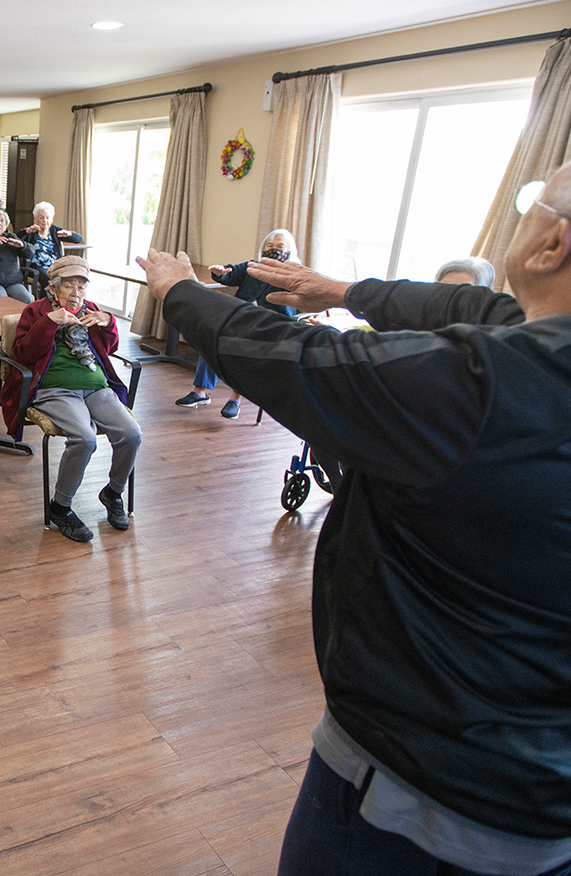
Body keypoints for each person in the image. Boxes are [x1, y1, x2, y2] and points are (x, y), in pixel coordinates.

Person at [137, 161, 571, 876]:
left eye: (529, 204)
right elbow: (477, 311)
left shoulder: (495, 387)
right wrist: (340, 289)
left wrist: (177, 292)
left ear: (550, 244)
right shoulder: (522, 354)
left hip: (423, 790)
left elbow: (299, 359)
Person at [2, 256, 141, 543]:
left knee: (131, 433)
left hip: (96, 386)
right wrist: (48, 322)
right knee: (84, 438)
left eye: (81, 287)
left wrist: (107, 321)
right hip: (54, 389)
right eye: (69, 286)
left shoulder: (91, 310)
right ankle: (61, 507)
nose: (76, 294)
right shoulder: (35, 311)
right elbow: (23, 354)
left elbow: (111, 347)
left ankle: (113, 493)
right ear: (53, 289)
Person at [175, 229, 299, 419]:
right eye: (269, 246)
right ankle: (200, 392)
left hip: (271, 327)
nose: (273, 250)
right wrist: (220, 273)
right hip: (240, 318)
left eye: (279, 247)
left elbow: (296, 306)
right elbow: (230, 274)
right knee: (212, 338)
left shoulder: (294, 275)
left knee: (244, 349)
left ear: (289, 251)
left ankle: (235, 399)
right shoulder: (253, 266)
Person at [19, 201, 84, 298]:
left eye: (47, 217)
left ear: (52, 219)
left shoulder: (55, 231)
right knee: (48, 278)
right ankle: (45, 304)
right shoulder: (32, 231)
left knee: (70, 277)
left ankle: (64, 302)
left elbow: (79, 239)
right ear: (36, 218)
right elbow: (16, 240)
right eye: (41, 217)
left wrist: (69, 234)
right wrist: (26, 231)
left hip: (56, 266)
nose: (44, 220)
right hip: (37, 266)